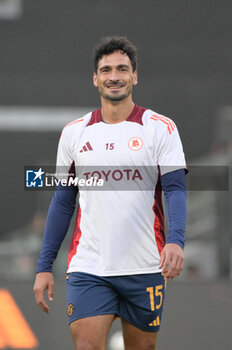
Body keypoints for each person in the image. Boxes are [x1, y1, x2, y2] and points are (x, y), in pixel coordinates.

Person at [33, 36, 187, 350]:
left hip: (144, 266)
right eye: (106, 70)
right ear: (95, 78)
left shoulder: (160, 128)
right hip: (89, 267)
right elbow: (63, 201)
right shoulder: (75, 133)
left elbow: (174, 189)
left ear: (134, 76)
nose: (113, 76)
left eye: (122, 69)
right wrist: (44, 266)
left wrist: (176, 240)